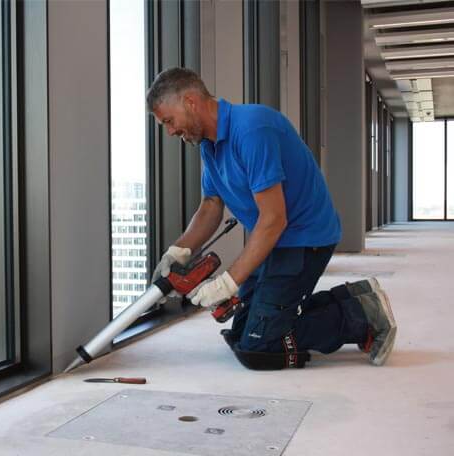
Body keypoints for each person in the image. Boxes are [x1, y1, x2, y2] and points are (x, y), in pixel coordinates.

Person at [147, 67, 396, 369]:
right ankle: (357, 297)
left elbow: (275, 218)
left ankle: (364, 315)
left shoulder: (252, 129)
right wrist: (178, 251)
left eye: (169, 121)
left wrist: (229, 281)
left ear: (190, 101)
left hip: (303, 238)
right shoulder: (209, 146)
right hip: (272, 240)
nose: (170, 131)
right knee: (239, 334)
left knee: (260, 346)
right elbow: (211, 204)